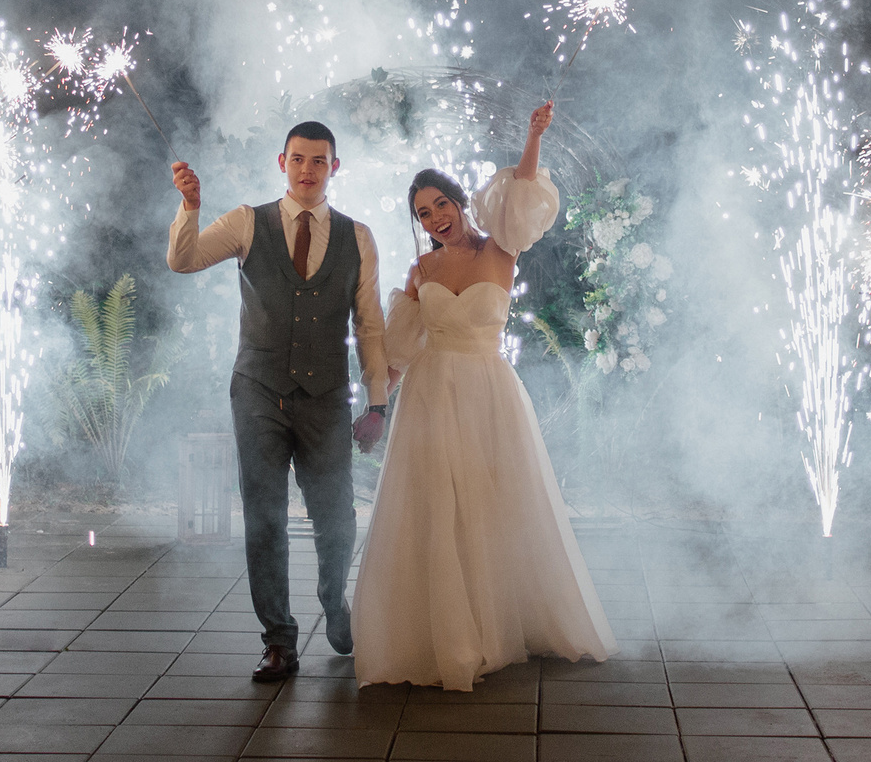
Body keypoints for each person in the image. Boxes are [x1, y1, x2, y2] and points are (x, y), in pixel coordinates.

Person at [353, 103, 616, 690]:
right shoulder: (420, 270)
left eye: (441, 205)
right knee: (436, 507)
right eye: (423, 214)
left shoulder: (501, 249)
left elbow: (523, 190)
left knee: (493, 501)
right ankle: (445, 631)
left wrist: (533, 136)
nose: (435, 219)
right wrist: (377, 407)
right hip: (428, 395)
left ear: (459, 202)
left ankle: (500, 618)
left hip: (488, 392)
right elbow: (401, 349)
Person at [166, 121, 392, 683]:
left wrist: (378, 403)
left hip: (326, 398)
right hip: (259, 392)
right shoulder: (247, 222)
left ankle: (333, 600)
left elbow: (369, 326)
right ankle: (278, 640)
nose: (307, 170)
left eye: (319, 161)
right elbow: (184, 259)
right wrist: (190, 206)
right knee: (263, 518)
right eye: (298, 159)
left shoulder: (357, 236)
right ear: (281, 163)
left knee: (336, 517)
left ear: (334, 168)